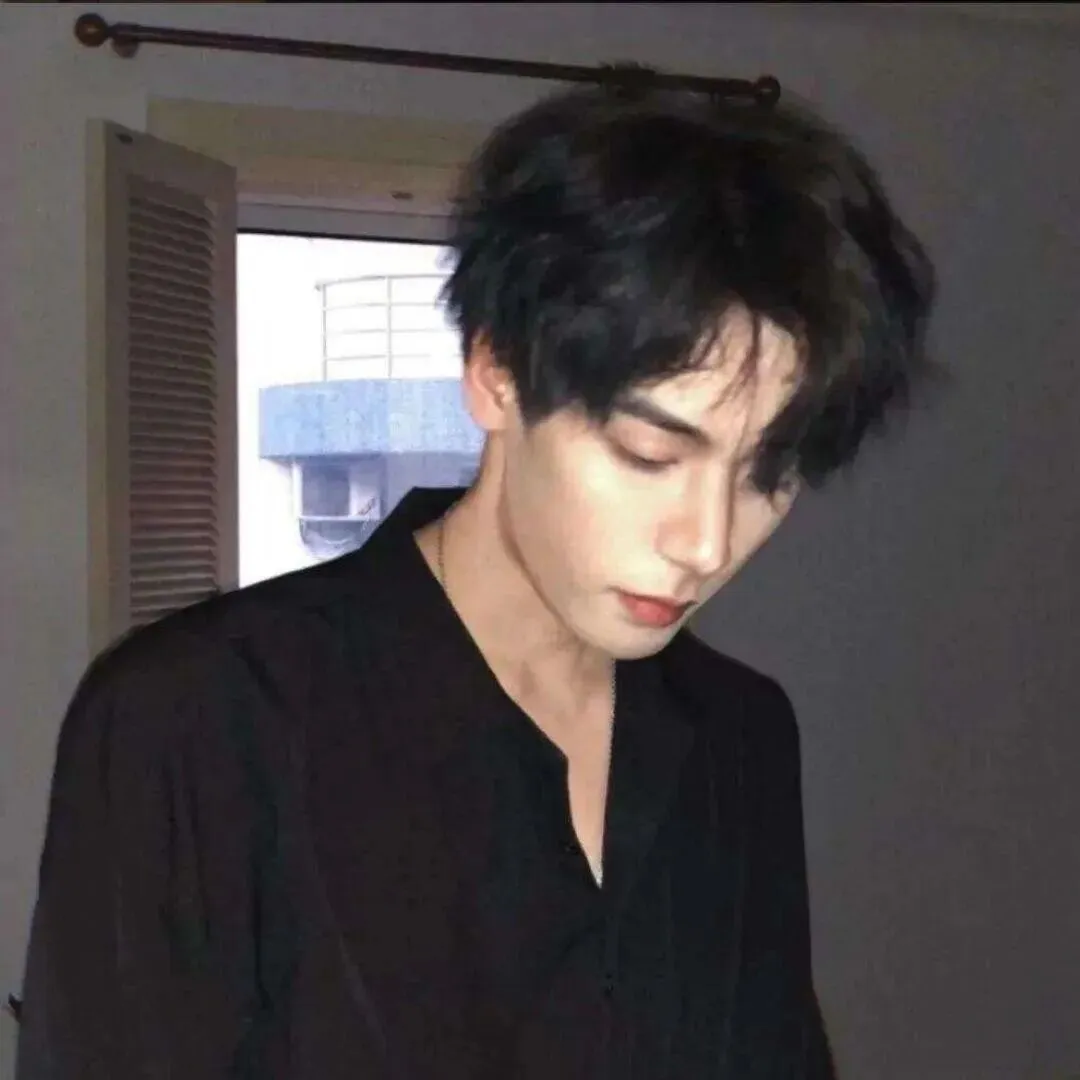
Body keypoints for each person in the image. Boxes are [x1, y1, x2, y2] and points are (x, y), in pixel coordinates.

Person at [16, 80, 934, 1080]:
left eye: (769, 474)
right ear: (496, 373)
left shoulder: (741, 735)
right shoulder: (195, 721)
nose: (707, 542)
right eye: (648, 454)